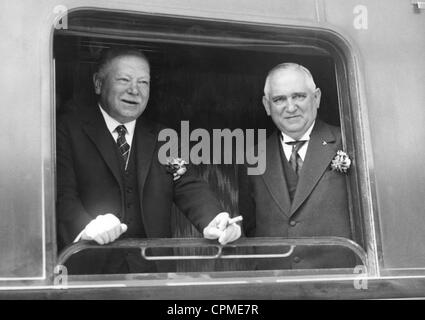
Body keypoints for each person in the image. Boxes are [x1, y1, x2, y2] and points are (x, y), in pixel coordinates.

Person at [57, 47, 241, 274]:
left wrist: (215, 219)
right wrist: (87, 227)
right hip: (88, 273)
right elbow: (62, 196)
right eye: (124, 79)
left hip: (153, 275)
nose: (134, 90)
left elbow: (188, 184)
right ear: (98, 83)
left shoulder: (164, 137)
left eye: (143, 82)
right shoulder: (66, 130)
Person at [238, 63, 356, 270]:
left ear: (316, 97)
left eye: (299, 96)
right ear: (267, 105)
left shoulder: (350, 142)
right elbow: (251, 225)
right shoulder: (253, 157)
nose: (290, 107)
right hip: (276, 286)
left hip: (340, 283)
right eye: (279, 99)